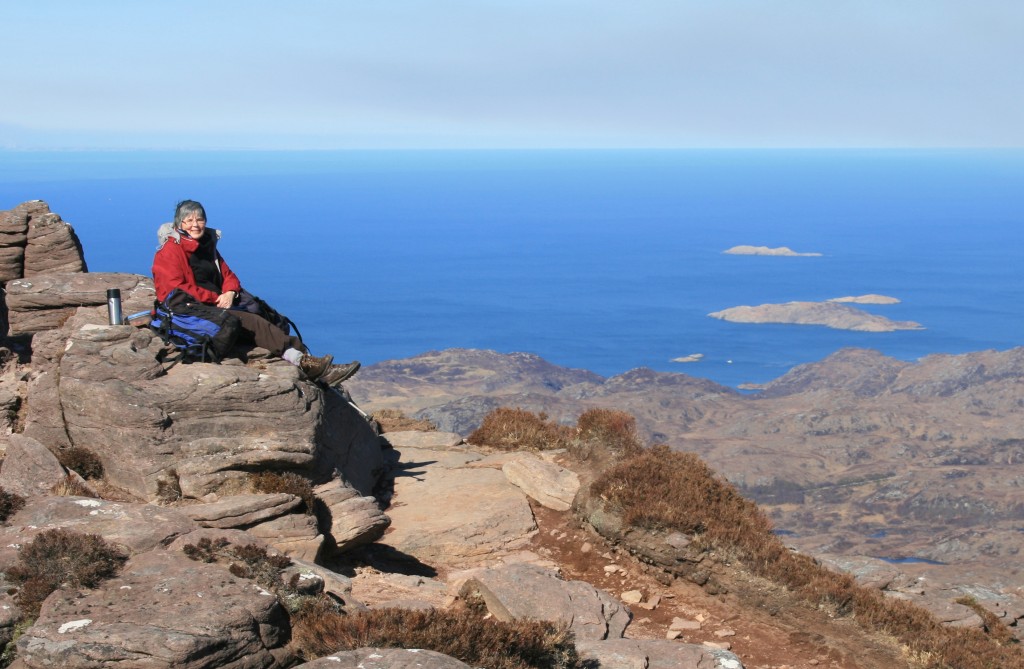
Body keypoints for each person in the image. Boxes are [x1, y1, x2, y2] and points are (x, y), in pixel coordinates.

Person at [152, 199, 359, 386]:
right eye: (188, 220)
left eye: (200, 219)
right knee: (252, 322)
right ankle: (304, 363)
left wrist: (230, 293)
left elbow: (228, 274)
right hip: (191, 306)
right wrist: (215, 298)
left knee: (269, 316)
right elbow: (175, 287)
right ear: (179, 224)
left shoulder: (206, 245)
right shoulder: (171, 251)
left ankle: (312, 364)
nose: (195, 225)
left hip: (219, 301)